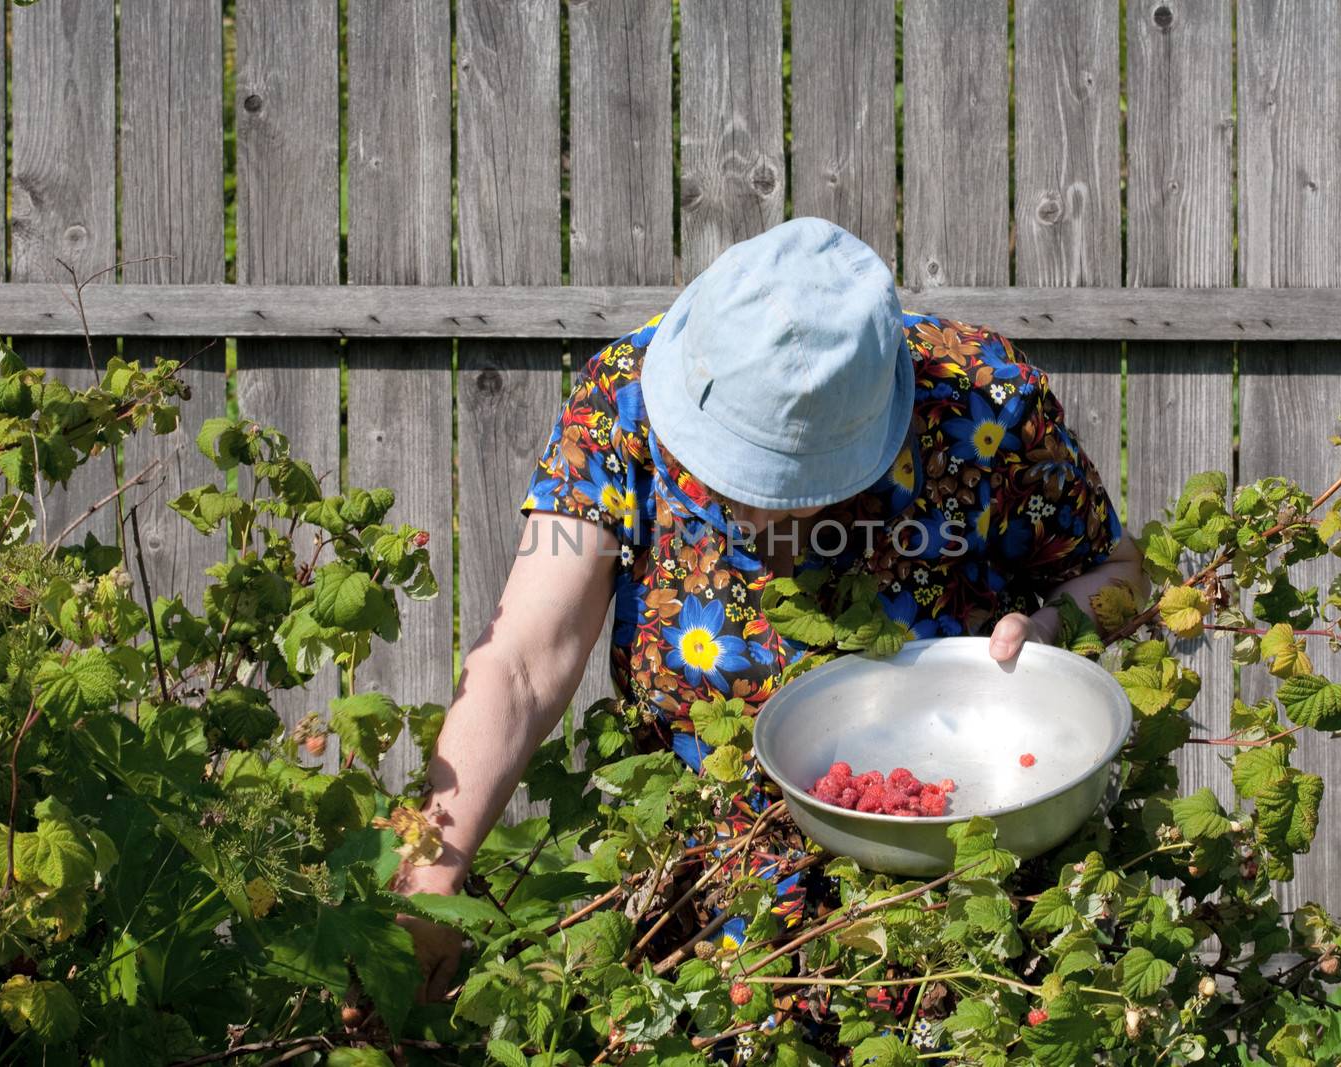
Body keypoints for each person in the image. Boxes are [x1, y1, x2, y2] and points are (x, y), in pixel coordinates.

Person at [394, 217, 1146, 999]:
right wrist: (430, 877)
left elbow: (1118, 572)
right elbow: (522, 660)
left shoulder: (982, 400)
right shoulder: (620, 403)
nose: (753, 519)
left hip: (958, 922)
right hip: (701, 935)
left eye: (795, 489)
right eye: (731, 479)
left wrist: (1053, 629)